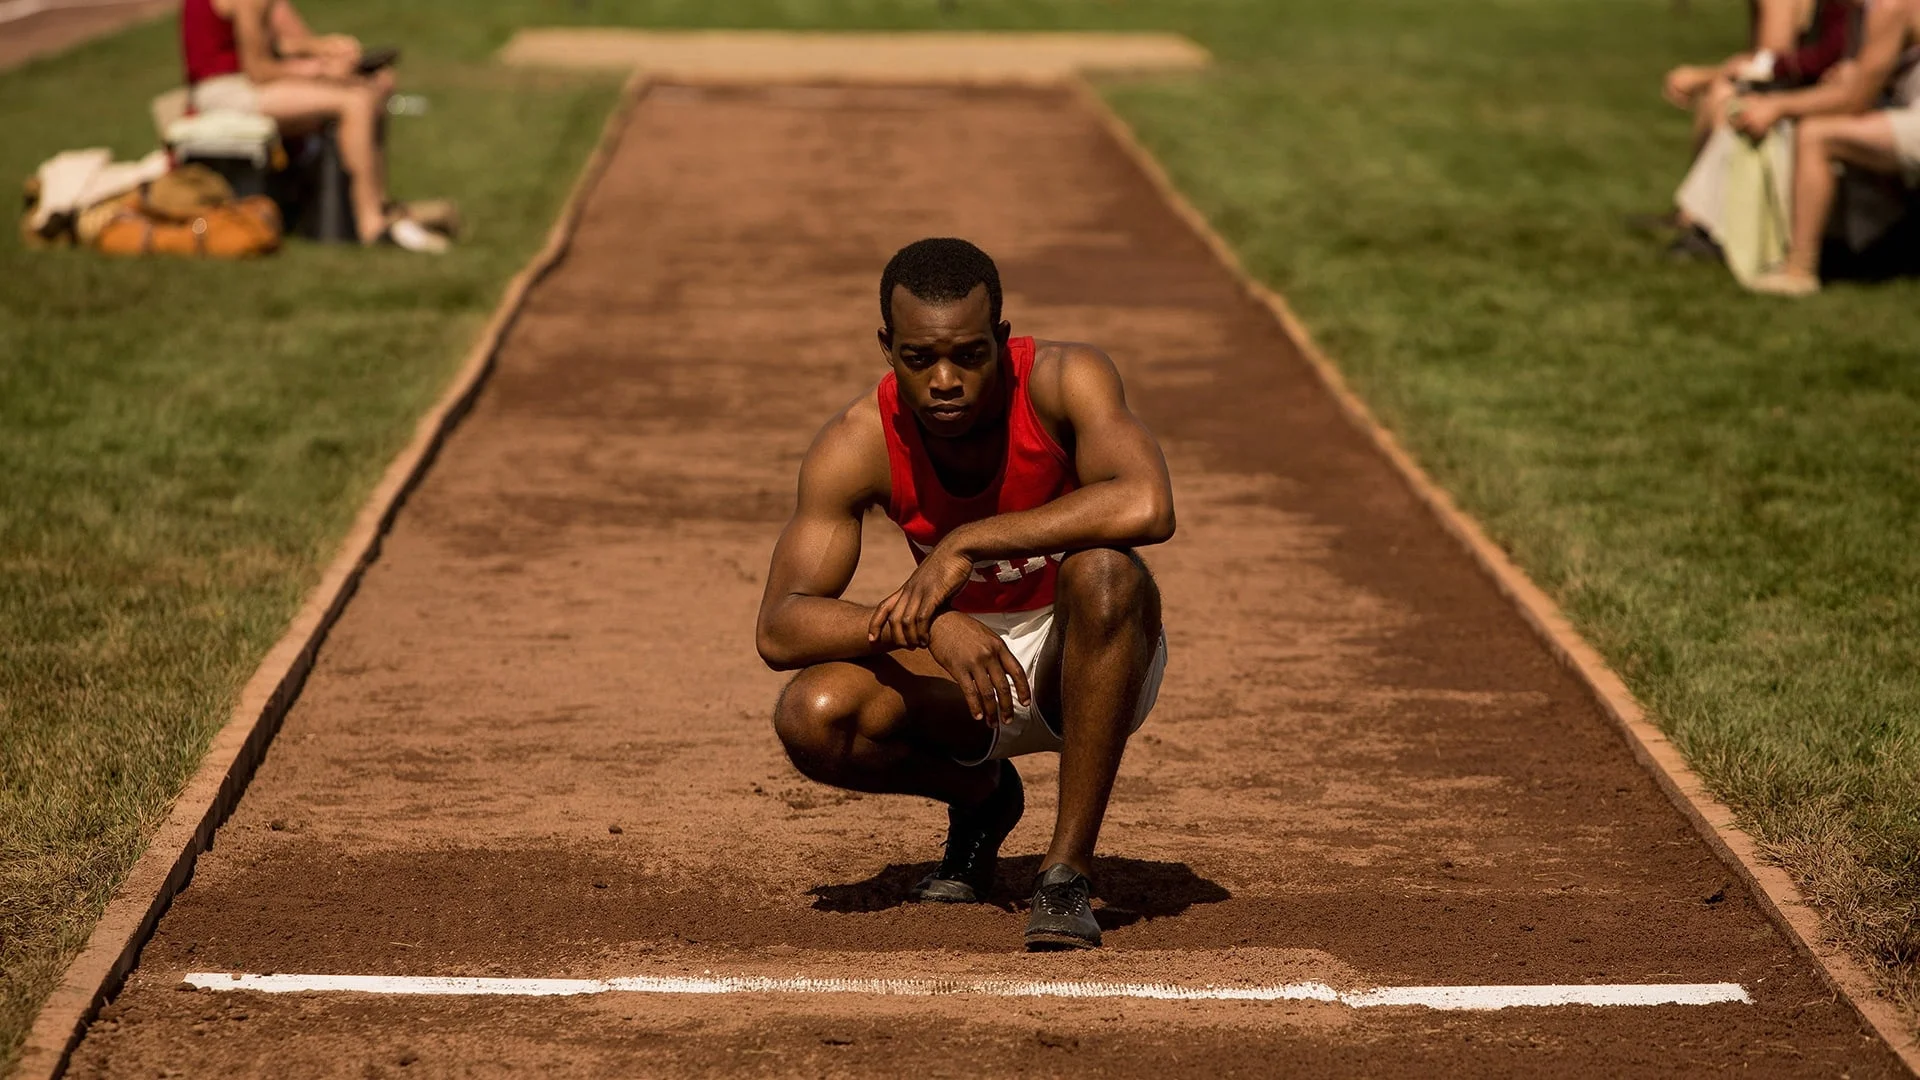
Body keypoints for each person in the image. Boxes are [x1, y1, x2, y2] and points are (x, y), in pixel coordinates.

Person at [755, 238, 1175, 951]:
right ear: (888, 349)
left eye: (970, 355)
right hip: (962, 675)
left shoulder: (1065, 379)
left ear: (1002, 341)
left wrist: (966, 542)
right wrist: (930, 627)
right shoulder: (858, 441)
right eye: (919, 359)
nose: (945, 380)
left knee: (1106, 571)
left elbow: (1148, 504)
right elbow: (781, 626)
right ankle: (983, 798)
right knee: (814, 715)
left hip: (1089, 648)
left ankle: (1065, 873)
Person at [180, 0, 446, 252]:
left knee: (370, 88)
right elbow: (258, 69)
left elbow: (274, 43)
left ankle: (380, 205)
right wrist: (319, 71)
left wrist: (322, 50)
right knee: (356, 102)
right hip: (225, 90)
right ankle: (371, 224)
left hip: (241, 83)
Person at [1732, 0, 1920, 295]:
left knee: (1816, 136)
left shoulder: (1890, 7)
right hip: (1907, 110)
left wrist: (1777, 106)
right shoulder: (1864, 11)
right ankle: (1860, 245)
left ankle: (1799, 270)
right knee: (1831, 127)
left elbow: (1854, 100)